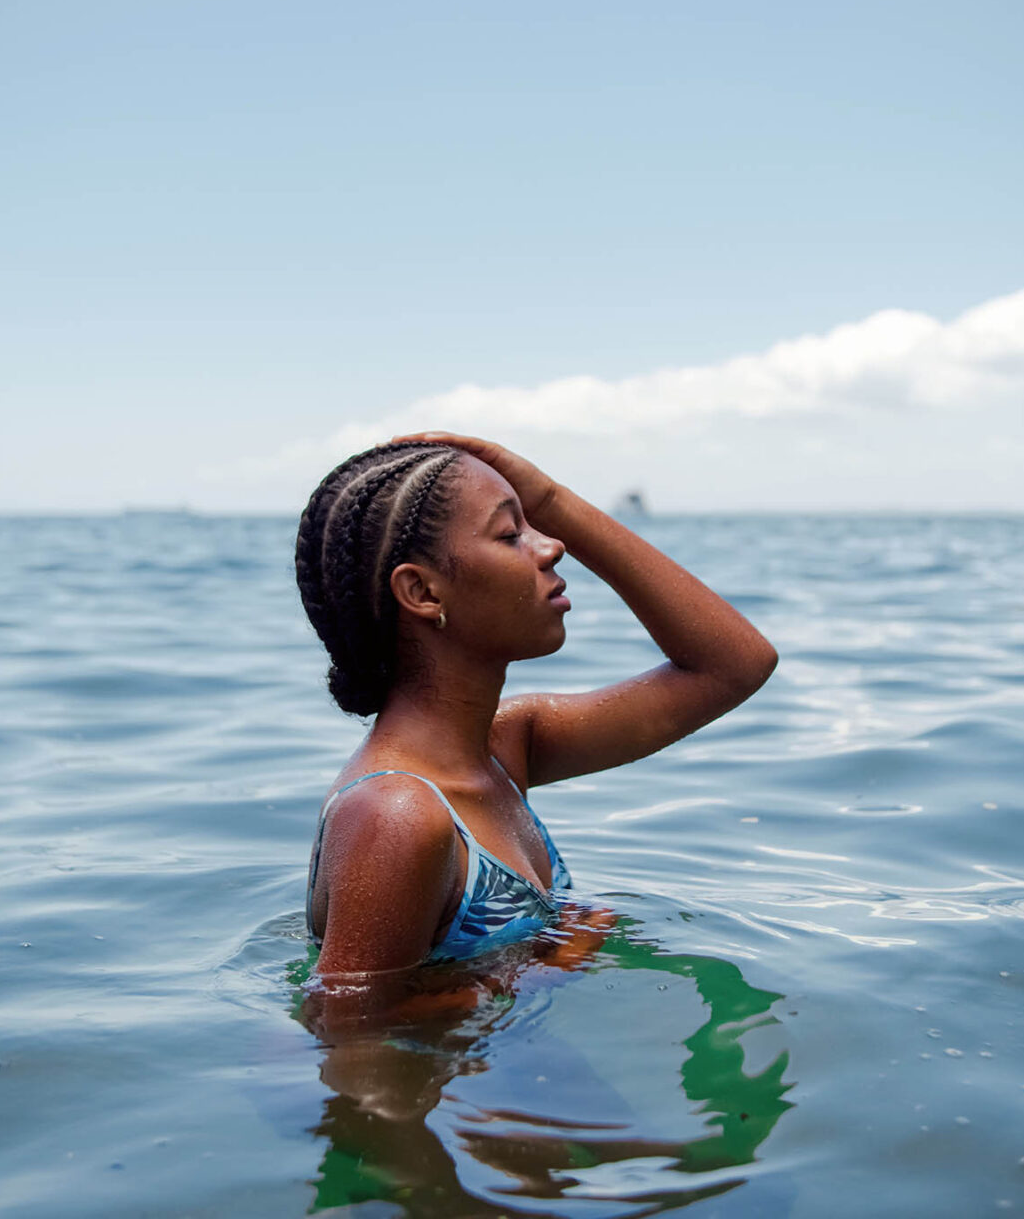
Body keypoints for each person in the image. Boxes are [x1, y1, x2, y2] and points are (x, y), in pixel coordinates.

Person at [294, 432, 776, 1011]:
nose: (551, 547)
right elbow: (345, 1030)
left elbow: (734, 666)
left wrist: (550, 496)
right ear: (421, 591)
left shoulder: (501, 747)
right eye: (510, 533)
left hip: (494, 1084)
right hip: (461, 1099)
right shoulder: (397, 814)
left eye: (535, 525)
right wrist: (541, 970)